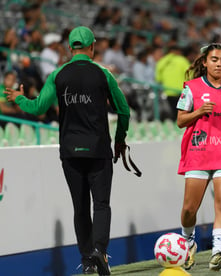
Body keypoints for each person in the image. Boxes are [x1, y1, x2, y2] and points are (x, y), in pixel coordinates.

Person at [5, 26, 130, 275]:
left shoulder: (57, 74)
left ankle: (86, 261)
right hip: (98, 150)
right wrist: (119, 139)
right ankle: (100, 252)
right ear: (92, 47)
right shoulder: (104, 74)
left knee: (80, 207)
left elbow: (38, 107)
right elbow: (124, 110)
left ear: (70, 48)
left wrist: (19, 99)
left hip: (70, 151)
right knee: (101, 204)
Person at [176, 43, 221, 271]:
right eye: (215, 60)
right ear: (205, 62)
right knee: (189, 209)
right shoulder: (192, 87)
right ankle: (188, 240)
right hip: (199, 152)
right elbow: (180, 120)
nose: (219, 64)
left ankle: (217, 252)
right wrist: (198, 112)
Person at [156, 45, 190, 121]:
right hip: (181, 92)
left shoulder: (162, 61)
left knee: (172, 114)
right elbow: (190, 75)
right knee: (181, 115)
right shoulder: (182, 60)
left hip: (167, 92)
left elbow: (158, 78)